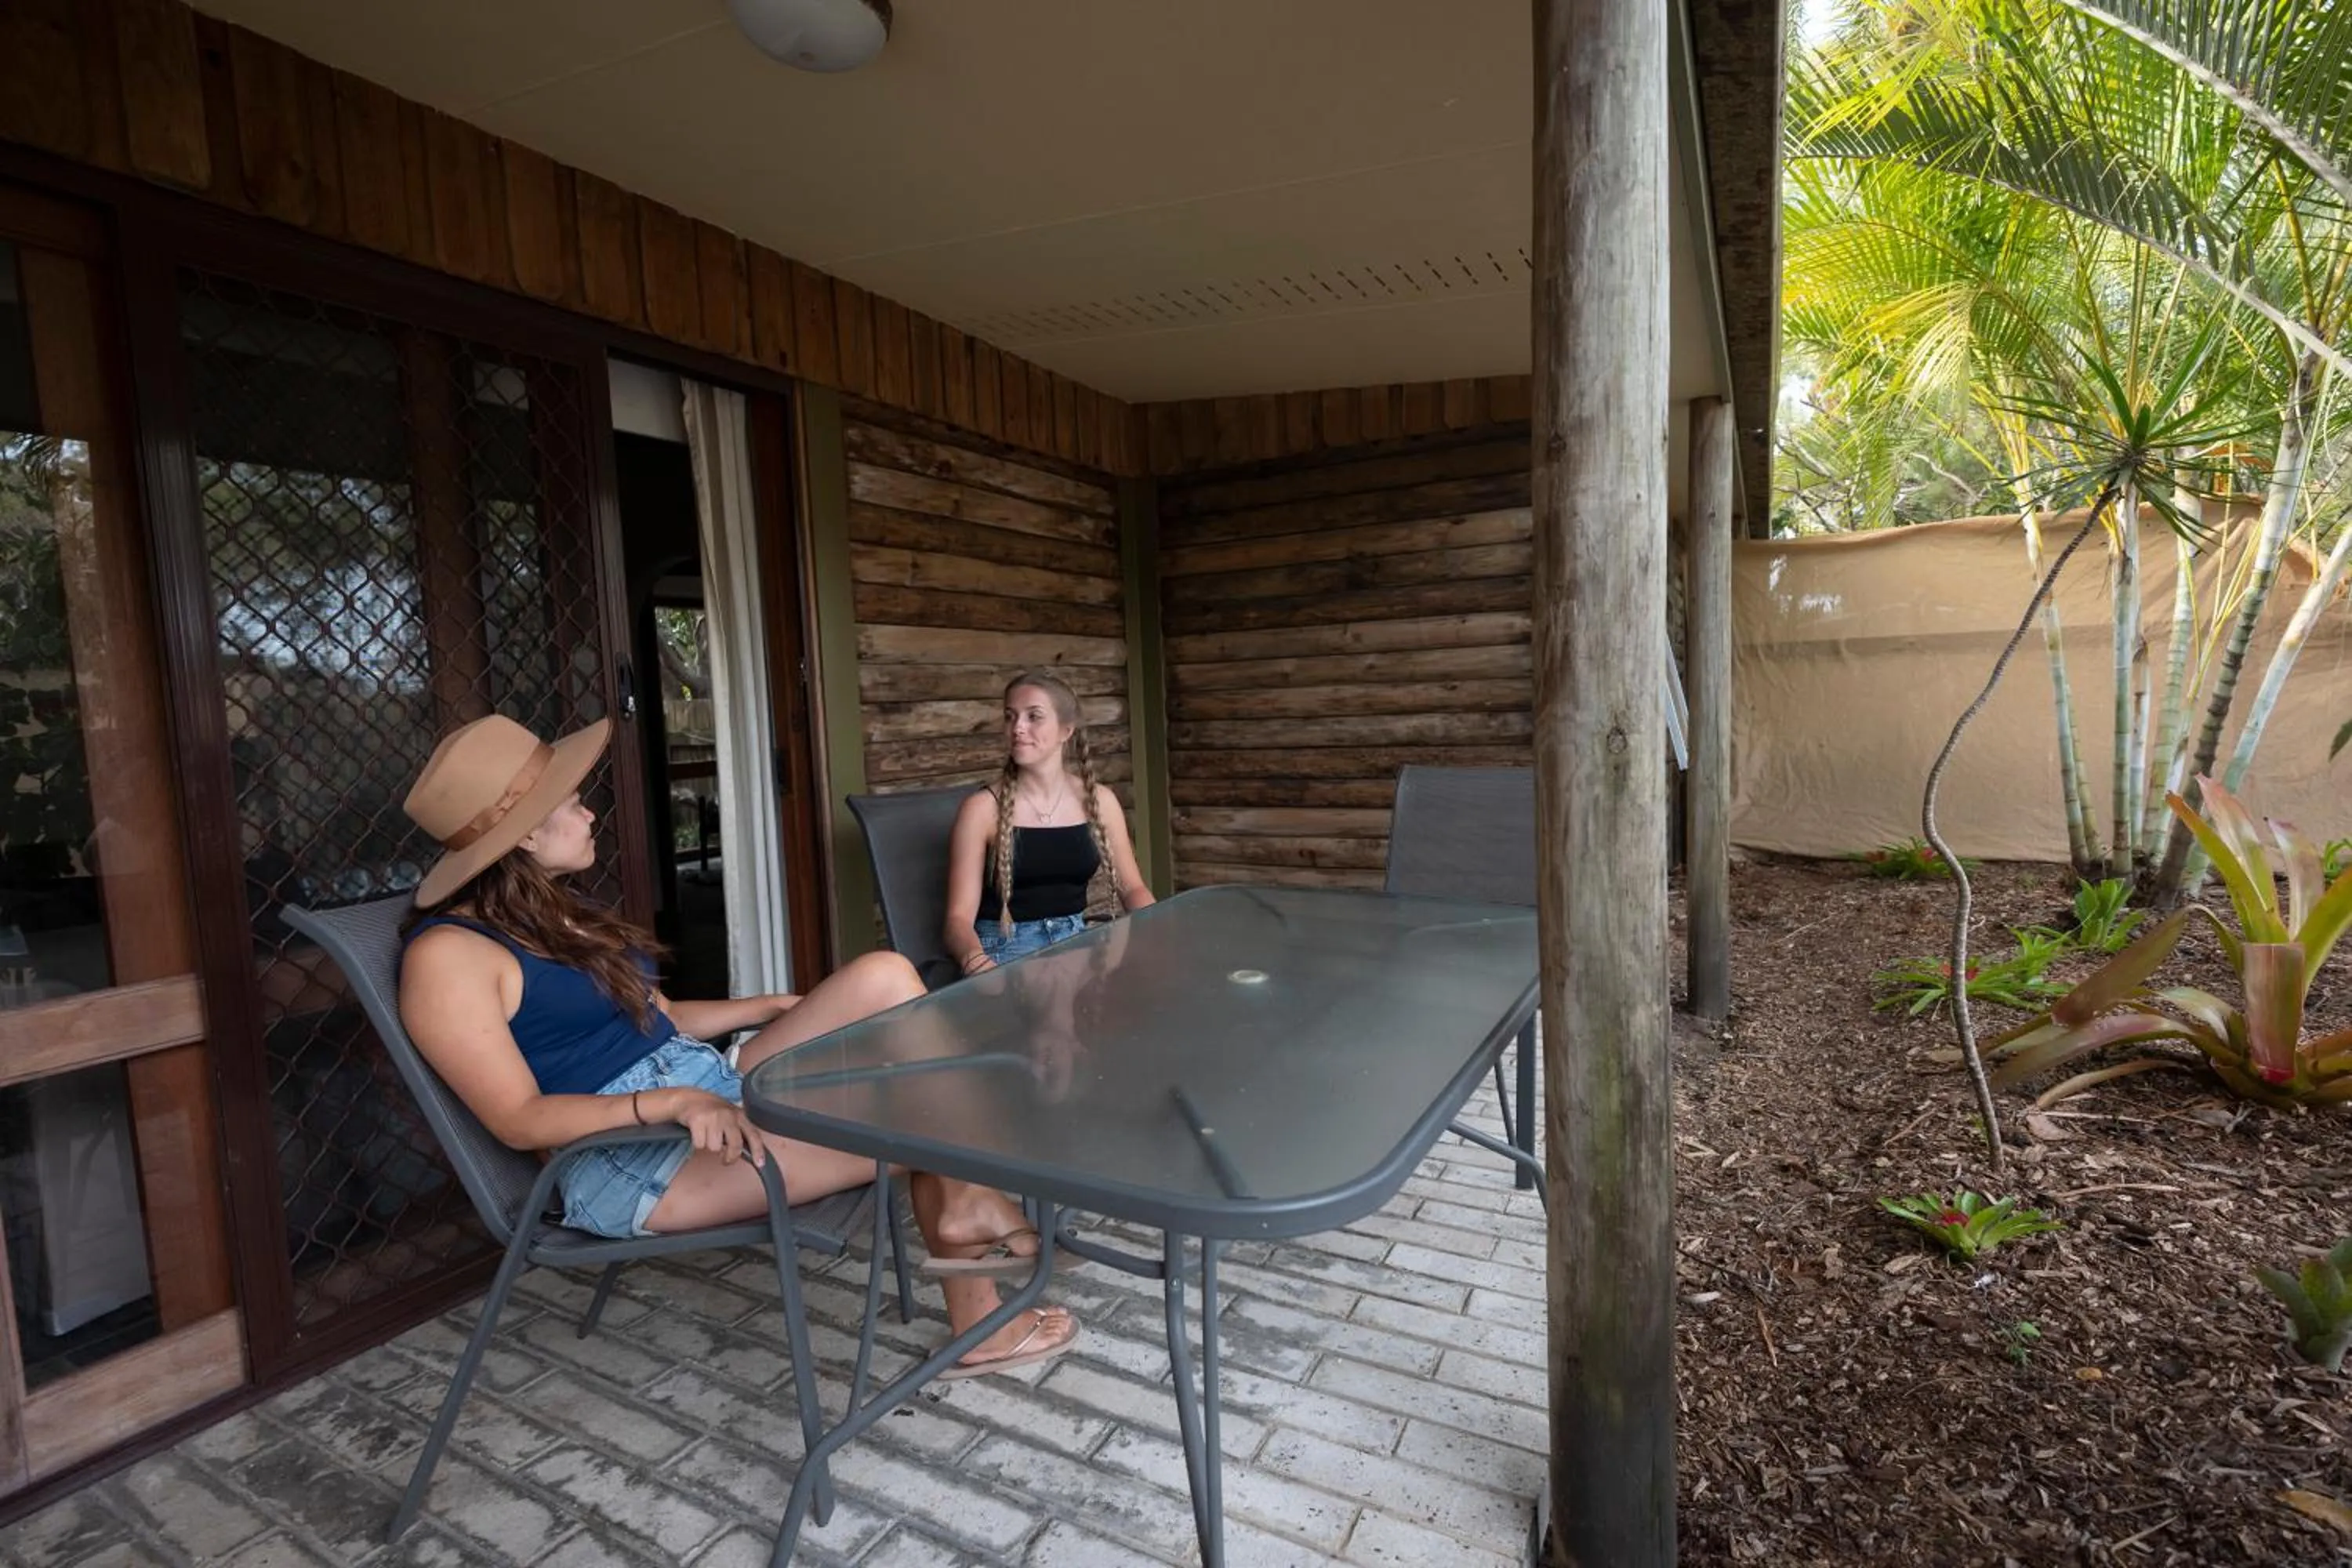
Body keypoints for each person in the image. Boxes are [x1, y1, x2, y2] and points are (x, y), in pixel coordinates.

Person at [395, 713, 1075, 1377]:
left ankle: (968, 1209)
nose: (592, 814)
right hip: (631, 1161)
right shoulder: (449, 959)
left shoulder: (551, 913)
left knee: (885, 976)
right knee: (920, 1107)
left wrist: (775, 1006)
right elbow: (518, 1119)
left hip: (705, 1084)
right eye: (575, 805)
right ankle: (982, 1290)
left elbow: (660, 1018)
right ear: (522, 835)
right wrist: (674, 1103)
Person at [944, 672, 1156, 977]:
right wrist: (975, 962)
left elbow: (1133, 888)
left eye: (1034, 717)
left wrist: (1163, 930)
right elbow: (957, 920)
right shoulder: (981, 810)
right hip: (1004, 952)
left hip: (1077, 945)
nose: (1018, 728)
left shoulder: (1101, 801)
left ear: (1066, 730)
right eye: (1010, 717)